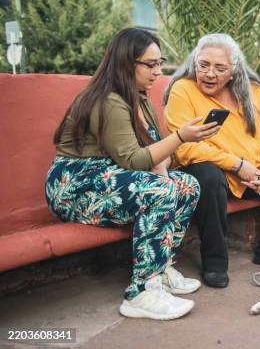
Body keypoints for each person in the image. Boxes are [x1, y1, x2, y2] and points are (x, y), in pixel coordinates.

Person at [45, 28, 220, 320]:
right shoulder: (108, 100)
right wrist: (181, 137)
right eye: (150, 64)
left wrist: (166, 169)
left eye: (159, 63)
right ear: (127, 63)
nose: (158, 71)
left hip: (112, 177)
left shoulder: (141, 101)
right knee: (160, 190)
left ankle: (161, 269)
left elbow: (153, 152)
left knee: (187, 184)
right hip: (74, 186)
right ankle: (141, 292)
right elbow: (133, 159)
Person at [163, 34, 260, 288]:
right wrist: (238, 166)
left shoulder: (253, 91)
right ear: (194, 63)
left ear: (233, 71)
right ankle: (214, 262)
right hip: (215, 173)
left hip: (253, 172)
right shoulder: (182, 89)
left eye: (219, 68)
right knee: (208, 176)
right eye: (203, 65)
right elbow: (185, 149)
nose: (209, 74)